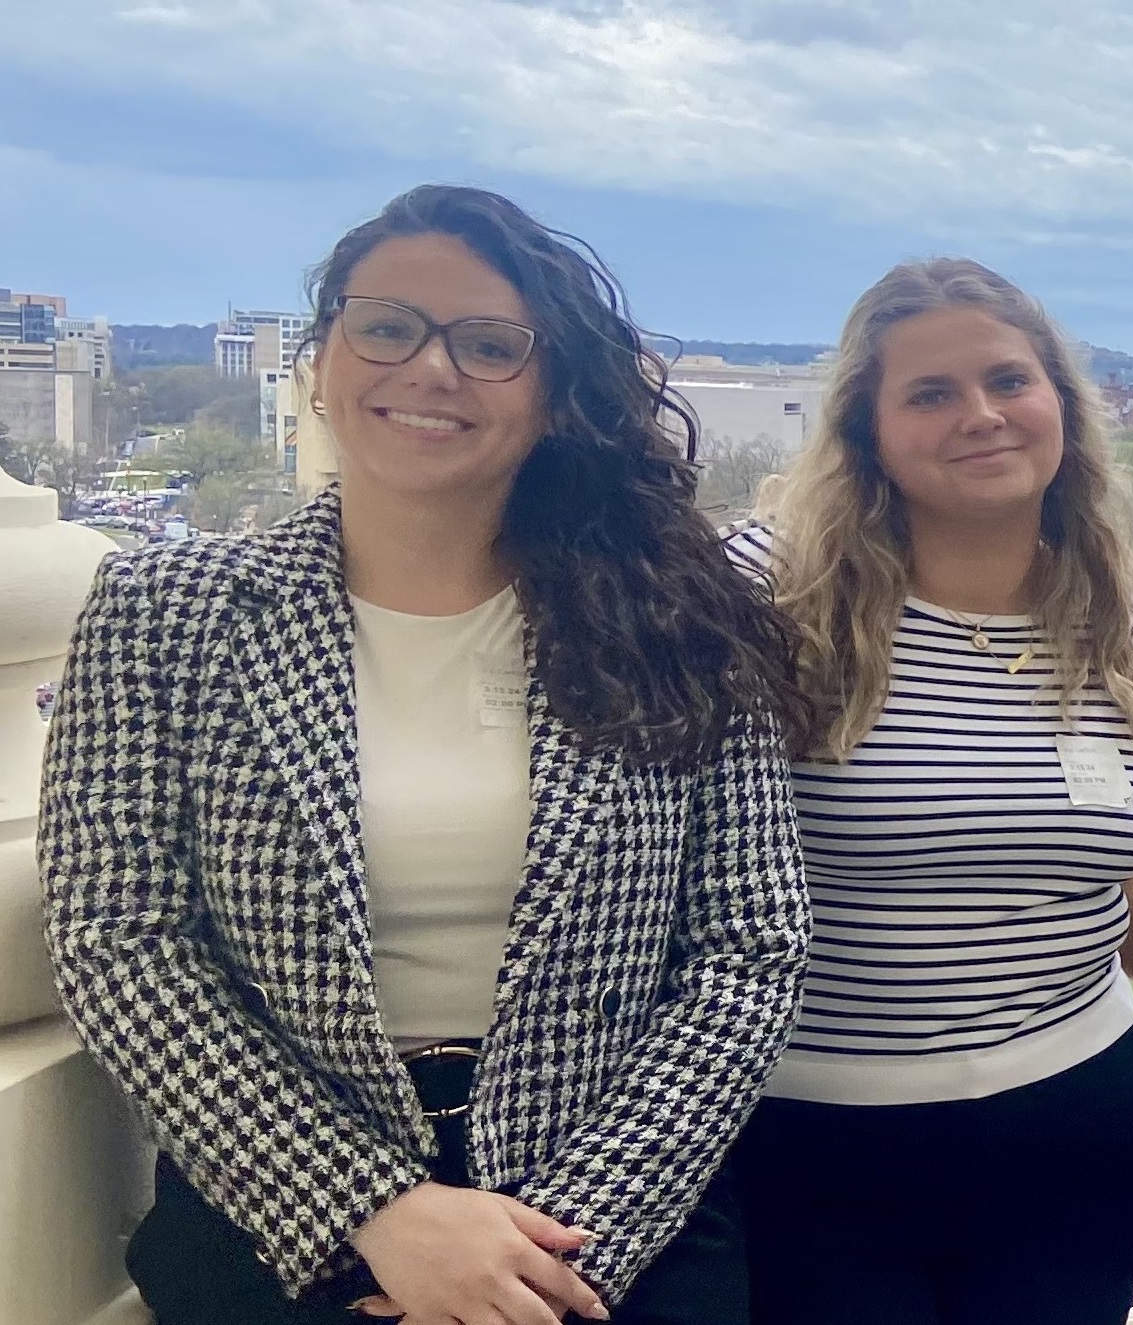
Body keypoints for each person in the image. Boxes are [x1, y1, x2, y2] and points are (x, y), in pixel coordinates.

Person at [44, 184, 808, 1323]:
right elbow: (120, 932)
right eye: (388, 325)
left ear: (555, 397)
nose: (431, 369)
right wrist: (376, 1208)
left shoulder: (681, 615)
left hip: (611, 1232)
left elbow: (751, 948)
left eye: (491, 344)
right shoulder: (164, 609)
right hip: (280, 1219)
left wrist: (555, 1247)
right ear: (321, 357)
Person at [726, 257, 1133, 1324]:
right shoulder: (763, 604)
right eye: (930, 393)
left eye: (1008, 381)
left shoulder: (1130, 628)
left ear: (1059, 405)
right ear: (865, 431)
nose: (980, 414)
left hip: (1071, 1129)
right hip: (811, 1139)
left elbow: (1120, 876)